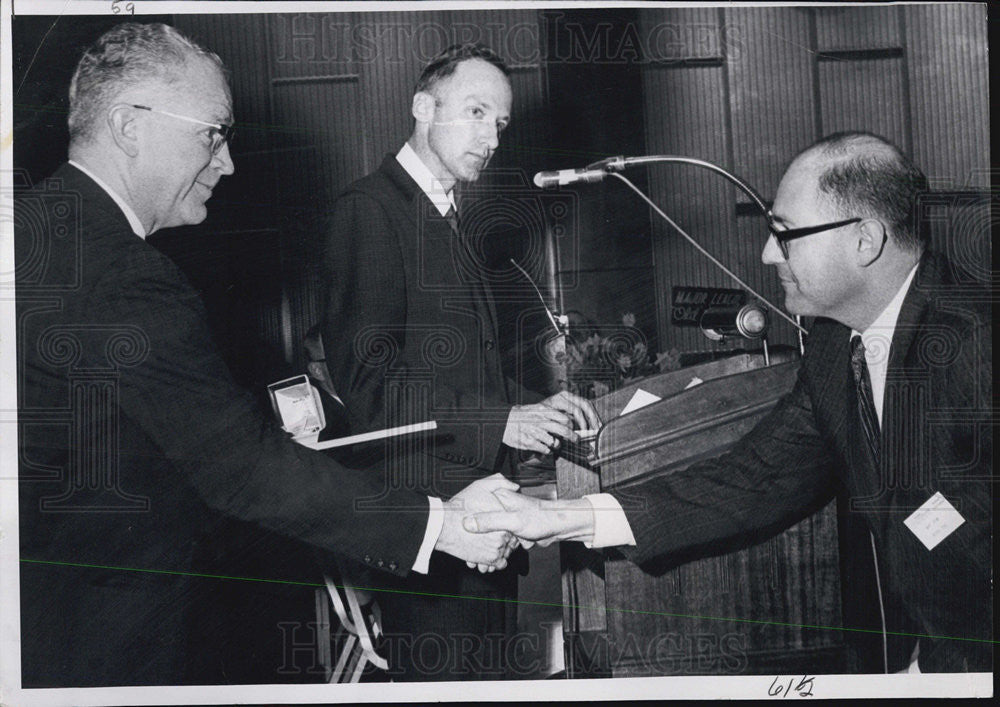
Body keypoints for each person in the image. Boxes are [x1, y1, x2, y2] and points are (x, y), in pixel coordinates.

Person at [15, 22, 518, 687]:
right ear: (130, 125)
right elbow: (242, 468)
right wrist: (441, 524)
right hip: (97, 633)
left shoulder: (34, 225)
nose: (225, 163)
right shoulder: (124, 275)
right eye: (212, 134)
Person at [466, 132, 992, 673]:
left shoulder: (978, 342)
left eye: (784, 234)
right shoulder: (837, 347)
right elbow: (752, 478)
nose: (767, 253)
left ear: (866, 240)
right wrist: (558, 518)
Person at [317, 43, 600, 680]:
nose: (491, 137)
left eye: (499, 122)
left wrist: (528, 405)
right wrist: (498, 422)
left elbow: (459, 366)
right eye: (475, 112)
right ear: (423, 107)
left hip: (485, 508)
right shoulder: (369, 211)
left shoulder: (451, 217)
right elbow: (369, 388)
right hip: (430, 515)